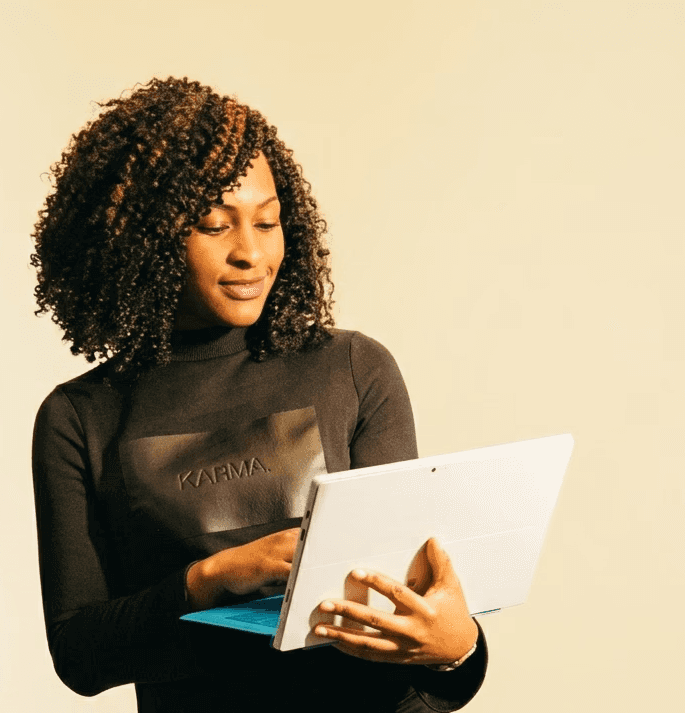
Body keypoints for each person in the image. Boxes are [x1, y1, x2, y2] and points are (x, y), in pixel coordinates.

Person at [31, 77, 487, 713]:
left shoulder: (353, 368)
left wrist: (458, 645)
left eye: (268, 221)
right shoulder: (79, 419)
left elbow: (416, 623)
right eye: (215, 225)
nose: (251, 252)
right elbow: (81, 655)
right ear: (140, 239)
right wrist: (210, 580)